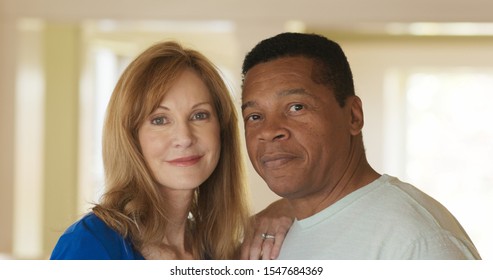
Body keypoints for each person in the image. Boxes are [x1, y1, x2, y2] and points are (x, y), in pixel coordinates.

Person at [240, 32, 481, 260]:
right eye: (254, 116)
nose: (269, 131)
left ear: (354, 116)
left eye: (296, 107)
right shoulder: (268, 240)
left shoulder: (417, 241)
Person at [50, 41, 289, 260]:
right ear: (131, 137)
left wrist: (289, 206)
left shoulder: (217, 253)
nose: (184, 138)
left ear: (221, 130)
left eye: (199, 115)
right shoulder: (88, 246)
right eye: (160, 120)